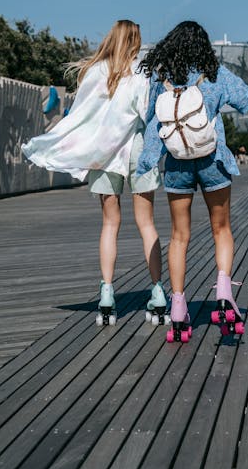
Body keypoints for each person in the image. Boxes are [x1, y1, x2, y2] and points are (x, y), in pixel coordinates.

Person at [137, 20, 248, 342]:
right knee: (221, 229)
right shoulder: (214, 74)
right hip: (213, 161)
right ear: (203, 47)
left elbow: (150, 122)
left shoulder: (160, 80)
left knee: (179, 236)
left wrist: (147, 160)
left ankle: (177, 306)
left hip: (177, 164)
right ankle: (224, 289)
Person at [21, 20, 167, 326]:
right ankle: (157, 291)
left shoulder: (94, 71)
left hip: (104, 155)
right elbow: (146, 113)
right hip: (138, 152)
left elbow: (81, 115)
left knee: (110, 224)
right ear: (135, 41)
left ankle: (107, 292)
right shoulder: (142, 73)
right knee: (146, 223)